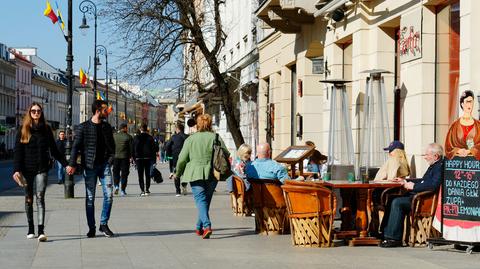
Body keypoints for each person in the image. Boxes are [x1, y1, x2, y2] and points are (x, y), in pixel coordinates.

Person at [12, 102, 68, 242]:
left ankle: (41, 230)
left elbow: (54, 150)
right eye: (33, 111)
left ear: (41, 113)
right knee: (29, 198)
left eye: (38, 111)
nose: (36, 113)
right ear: (29, 113)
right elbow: (18, 151)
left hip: (42, 168)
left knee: (40, 197)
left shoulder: (47, 130)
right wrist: (16, 170)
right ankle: (31, 228)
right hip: (26, 169)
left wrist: (66, 164)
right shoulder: (23, 129)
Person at [432, 89, 480, 244]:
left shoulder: (479, 125)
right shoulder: (454, 126)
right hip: (457, 172)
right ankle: (455, 236)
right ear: (461, 103)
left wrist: (472, 150)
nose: (469, 105)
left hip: (474, 173)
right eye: (467, 101)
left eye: (472, 102)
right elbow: (448, 147)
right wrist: (459, 150)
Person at [66, 99, 116, 238]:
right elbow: (76, 147)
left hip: (104, 165)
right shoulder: (83, 127)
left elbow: (112, 147)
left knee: (109, 196)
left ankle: (103, 224)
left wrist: (110, 160)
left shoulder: (106, 127)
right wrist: (72, 164)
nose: (107, 112)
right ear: (98, 110)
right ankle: (92, 227)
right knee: (90, 198)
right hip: (89, 166)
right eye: (105, 109)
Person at [379, 143, 444, 248]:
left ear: (436, 156)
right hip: (418, 198)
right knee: (391, 199)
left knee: (397, 203)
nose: (425, 157)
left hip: (423, 201)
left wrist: (413, 187)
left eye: (427, 155)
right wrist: (405, 180)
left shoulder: (439, 167)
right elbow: (423, 181)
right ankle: (385, 233)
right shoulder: (434, 166)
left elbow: (433, 185)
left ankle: (394, 238)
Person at [175, 114, 229, 239]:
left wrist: (178, 173)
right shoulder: (216, 137)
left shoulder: (191, 139)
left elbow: (182, 158)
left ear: (197, 125)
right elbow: (226, 153)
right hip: (212, 173)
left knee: (201, 201)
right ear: (210, 124)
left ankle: (207, 226)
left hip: (195, 173)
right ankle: (199, 227)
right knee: (205, 201)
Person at [133, 124, 158, 196]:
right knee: (147, 175)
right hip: (148, 159)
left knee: (140, 175)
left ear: (140, 129)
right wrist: (154, 161)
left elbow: (132, 149)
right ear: (146, 129)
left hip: (139, 159)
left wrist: (134, 159)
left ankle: (142, 190)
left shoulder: (136, 138)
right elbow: (154, 149)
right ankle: (147, 189)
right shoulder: (150, 138)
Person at [166, 123, 189, 196]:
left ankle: (178, 191)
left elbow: (167, 146)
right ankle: (184, 186)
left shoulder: (173, 137)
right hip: (186, 157)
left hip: (176, 158)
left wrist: (169, 155)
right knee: (185, 173)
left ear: (177, 129)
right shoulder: (187, 137)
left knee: (176, 173)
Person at [113, 123, 133, 196]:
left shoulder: (114, 136)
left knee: (115, 172)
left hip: (115, 157)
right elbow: (131, 149)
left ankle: (116, 185)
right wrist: (131, 157)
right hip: (125, 158)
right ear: (124, 128)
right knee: (124, 174)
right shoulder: (128, 137)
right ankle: (123, 190)